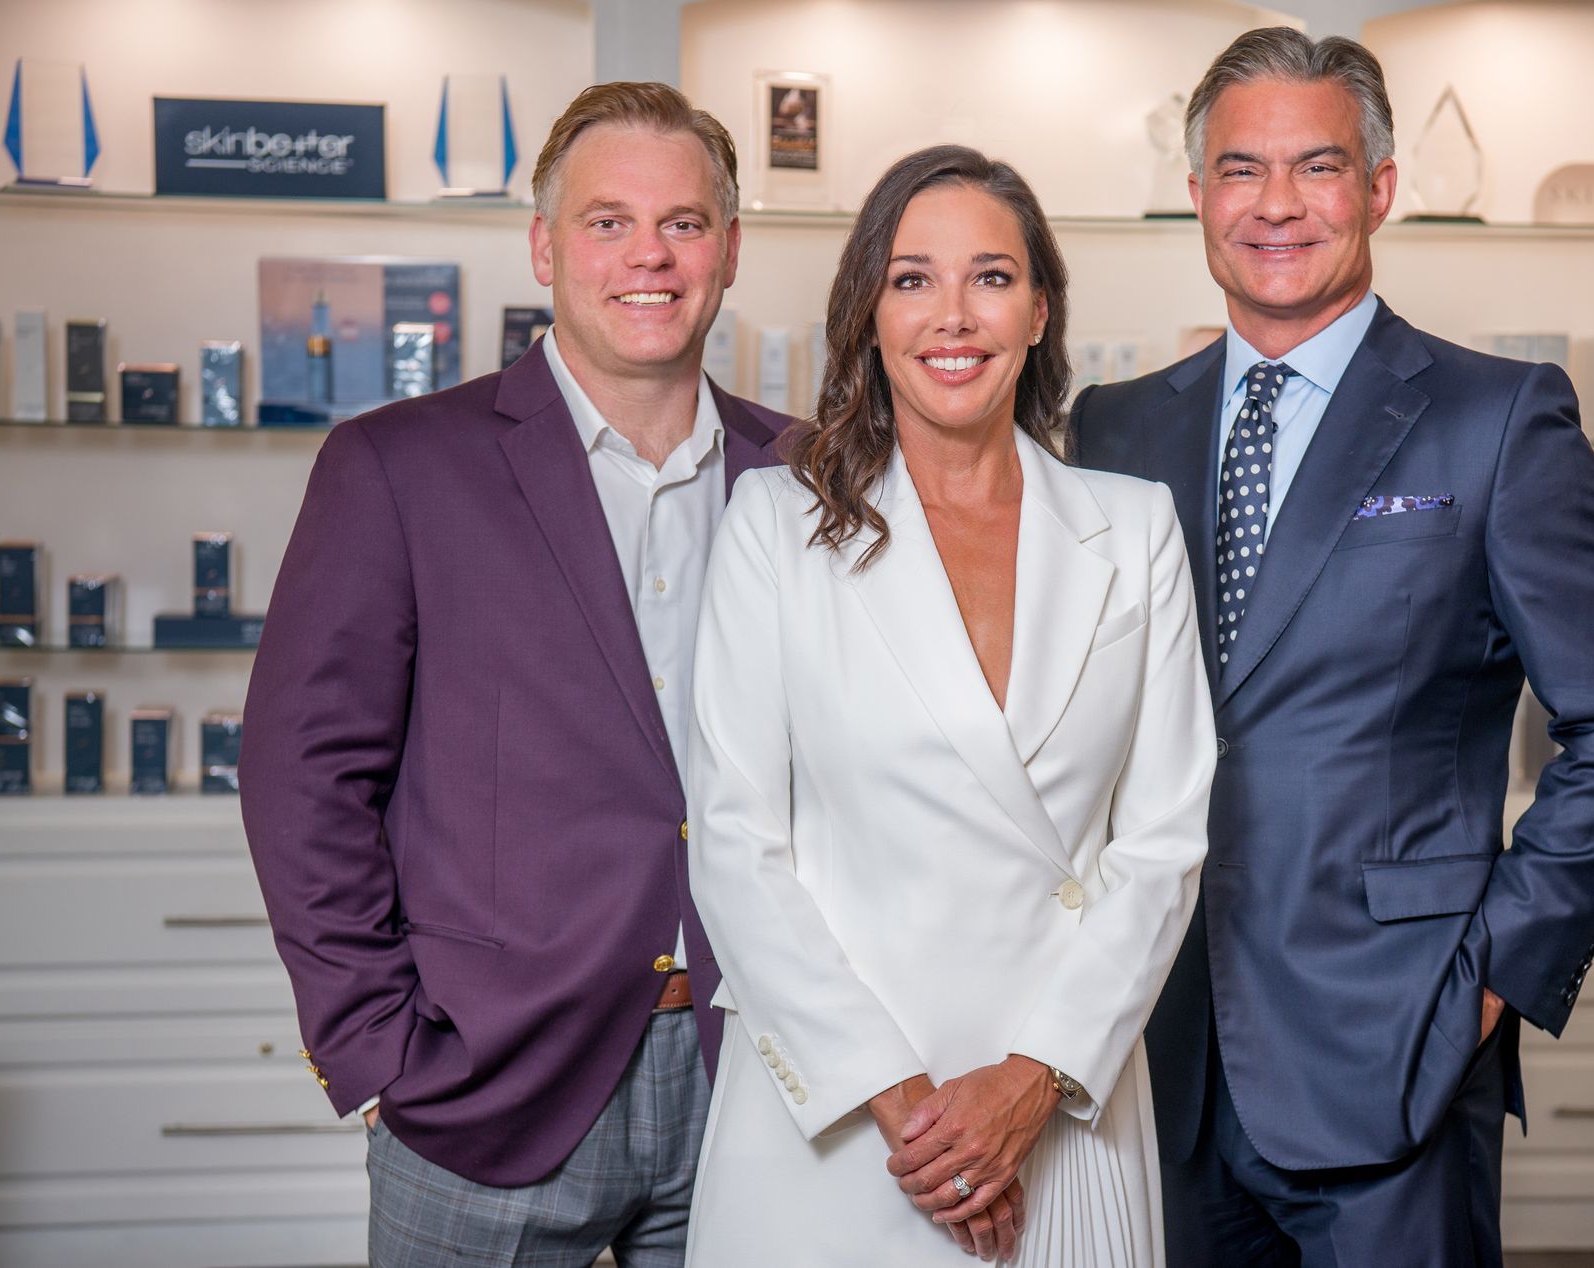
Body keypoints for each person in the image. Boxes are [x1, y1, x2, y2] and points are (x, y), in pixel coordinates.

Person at [1071, 28, 1594, 1267]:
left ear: (1381, 187)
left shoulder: (1498, 420)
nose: (1278, 205)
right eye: (1242, 170)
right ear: (1196, 195)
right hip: (1160, 1053)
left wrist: (1492, 974)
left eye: (1319, 166)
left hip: (1397, 1048)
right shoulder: (1116, 426)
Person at [239, 82, 792, 1266]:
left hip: (752, 1077)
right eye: (607, 222)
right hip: (491, 1088)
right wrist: (380, 1047)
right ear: (544, 245)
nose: (649, 254)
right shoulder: (397, 468)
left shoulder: (799, 475)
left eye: (685, 223)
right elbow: (301, 774)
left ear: (731, 249)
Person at [683, 145, 1215, 1266]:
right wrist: (914, 1113)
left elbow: (1164, 839)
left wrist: (1029, 1081)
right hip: (848, 1115)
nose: (952, 315)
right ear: (869, 313)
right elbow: (736, 845)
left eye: (991, 276)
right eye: (912, 278)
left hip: (1062, 1091)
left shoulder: (1134, 526)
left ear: (1038, 312)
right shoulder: (775, 524)